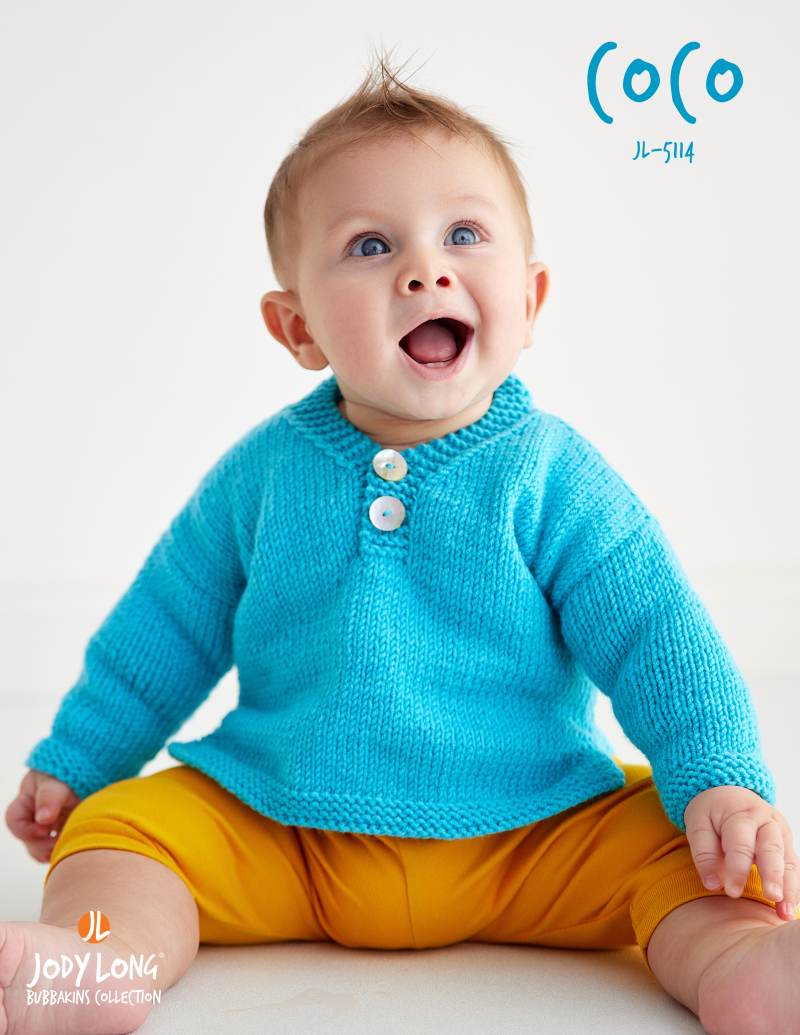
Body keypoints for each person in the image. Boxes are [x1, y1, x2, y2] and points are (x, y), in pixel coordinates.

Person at [3, 50, 798, 1035]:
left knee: (691, 848)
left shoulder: (552, 475)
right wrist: (82, 758)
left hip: (535, 831)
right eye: (370, 245)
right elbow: (165, 623)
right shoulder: (264, 475)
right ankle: (101, 959)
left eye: (463, 234)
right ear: (296, 327)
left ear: (530, 300)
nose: (425, 268)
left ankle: (742, 965)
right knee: (119, 831)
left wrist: (718, 774)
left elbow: (654, 633)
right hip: (287, 826)